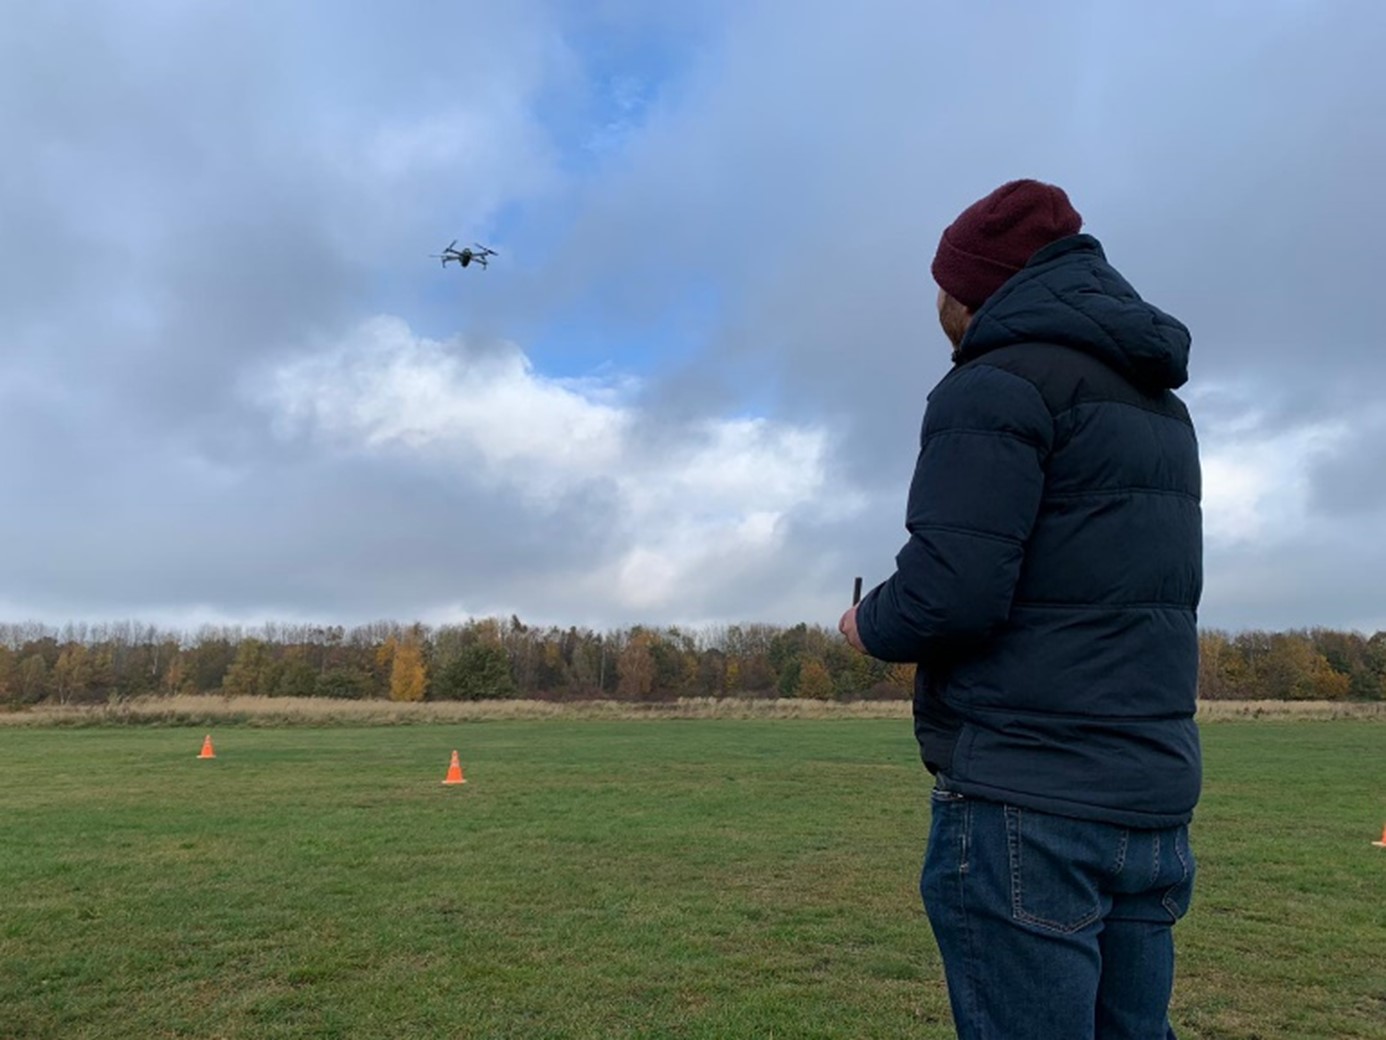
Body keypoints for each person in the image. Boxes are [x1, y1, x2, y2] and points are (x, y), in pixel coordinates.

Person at [839, 179, 1202, 1040]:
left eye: (946, 289)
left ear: (974, 290)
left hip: (1026, 801)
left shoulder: (993, 385)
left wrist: (865, 625)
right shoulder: (1160, 405)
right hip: (1150, 803)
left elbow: (951, 592)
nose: (940, 308)